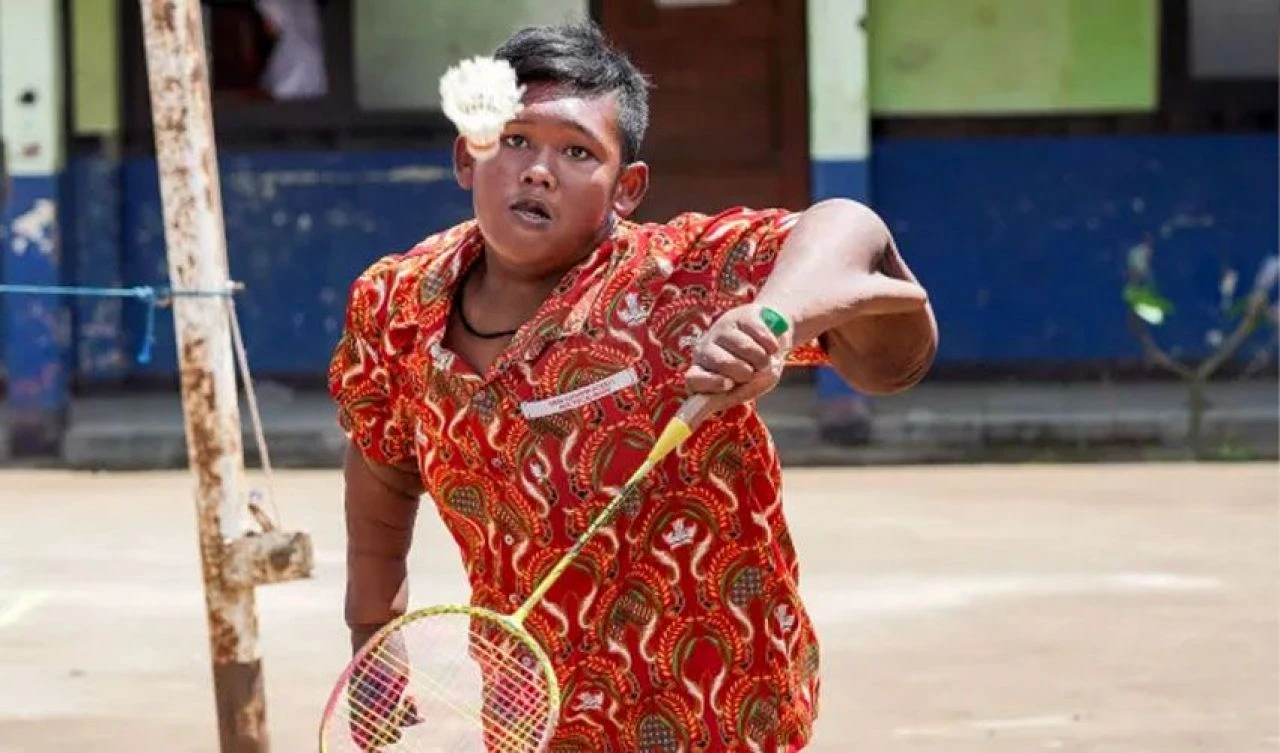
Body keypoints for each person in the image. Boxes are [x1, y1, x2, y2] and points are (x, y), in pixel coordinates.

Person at [329, 20, 936, 752]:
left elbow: (854, 236)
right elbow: (383, 462)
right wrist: (373, 631)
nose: (539, 170)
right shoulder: (394, 303)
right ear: (468, 153)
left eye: (578, 152)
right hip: (539, 710)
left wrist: (773, 316)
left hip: (723, 705)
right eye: (515, 139)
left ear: (627, 189)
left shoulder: (680, 280)